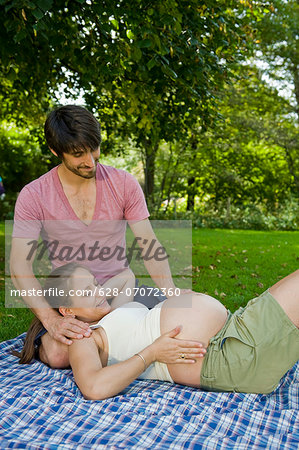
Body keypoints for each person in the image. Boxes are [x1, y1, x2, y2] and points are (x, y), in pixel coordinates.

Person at [10, 105, 191, 369]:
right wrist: (52, 321)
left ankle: (113, 340)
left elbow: (148, 244)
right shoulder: (34, 194)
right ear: (55, 151)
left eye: (93, 148)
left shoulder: (124, 183)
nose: (90, 161)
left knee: (186, 323)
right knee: (59, 356)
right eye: (77, 154)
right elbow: (19, 267)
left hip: (122, 293)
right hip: (75, 301)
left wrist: (171, 290)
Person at [15, 263, 299, 399]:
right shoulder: (85, 339)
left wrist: (91, 297)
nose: (99, 291)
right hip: (230, 357)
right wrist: (151, 353)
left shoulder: (111, 314)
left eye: (95, 284)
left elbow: (126, 275)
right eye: (87, 290)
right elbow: (93, 387)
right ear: (66, 311)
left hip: (235, 333)